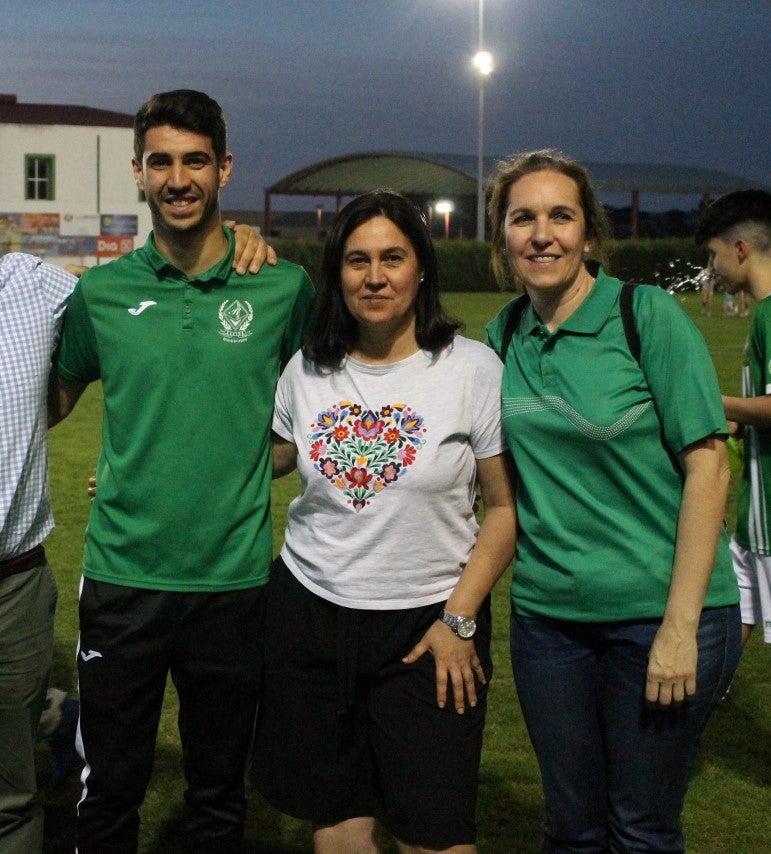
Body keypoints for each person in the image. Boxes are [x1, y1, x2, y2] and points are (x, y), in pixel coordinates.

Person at [0, 145, 274, 851]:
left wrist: (235, 237)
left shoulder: (41, 290)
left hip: (11, 599)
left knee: (8, 803)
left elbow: (144, 297)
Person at [51, 89, 315, 851]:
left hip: (232, 587)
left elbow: (315, 418)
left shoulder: (282, 288)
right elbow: (51, 402)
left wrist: (246, 461)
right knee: (109, 794)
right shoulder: (101, 294)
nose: (178, 178)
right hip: (123, 580)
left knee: (217, 798)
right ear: (137, 172)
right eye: (161, 161)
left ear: (224, 168)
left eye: (195, 160)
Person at [483, 149, 741, 852]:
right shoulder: (501, 336)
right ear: (502, 237)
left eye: (561, 216)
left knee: (640, 830)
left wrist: (679, 629)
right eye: (523, 218)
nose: (543, 234)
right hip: (548, 625)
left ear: (588, 234)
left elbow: (709, 467)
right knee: (570, 828)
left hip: (658, 617)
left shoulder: (643, 315)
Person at [249, 190, 515, 854]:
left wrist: (459, 619)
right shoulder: (308, 367)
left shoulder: (473, 370)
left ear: (421, 268)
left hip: (429, 626)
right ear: (336, 273)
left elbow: (506, 510)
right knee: (337, 823)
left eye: (393, 258)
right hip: (311, 614)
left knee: (436, 834)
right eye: (357, 260)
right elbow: (273, 456)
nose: (375, 277)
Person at [695, 189, 771, 648]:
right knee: (723, 615)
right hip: (759, 516)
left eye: (714, 255)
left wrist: (719, 403)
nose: (711, 269)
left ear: (741, 249)